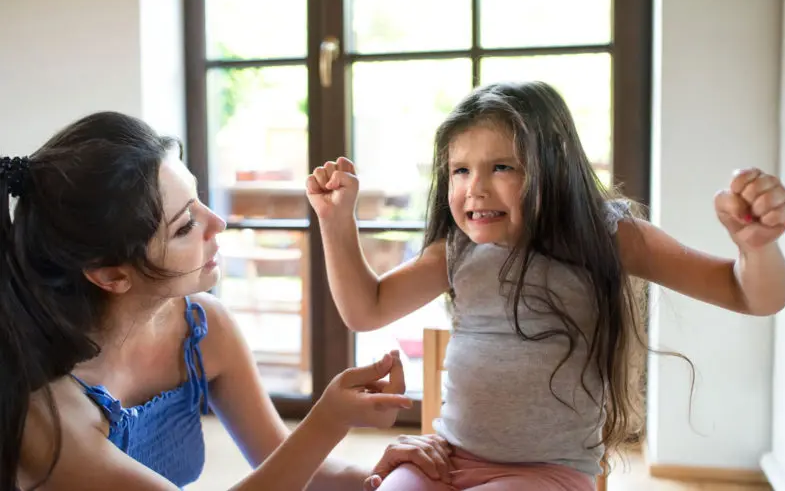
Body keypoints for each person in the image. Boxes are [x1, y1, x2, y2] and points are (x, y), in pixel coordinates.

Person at [306, 81, 785, 490]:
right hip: (445, 457)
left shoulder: (608, 235)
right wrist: (335, 220)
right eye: (460, 170)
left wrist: (756, 247)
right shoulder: (458, 251)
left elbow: (749, 295)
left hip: (546, 473)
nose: (475, 186)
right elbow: (365, 310)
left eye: (502, 166)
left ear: (553, 167)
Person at [0, 111, 451, 491]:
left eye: (198, 200)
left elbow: (291, 467)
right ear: (112, 274)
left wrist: (385, 476)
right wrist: (329, 421)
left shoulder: (201, 327)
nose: (217, 223)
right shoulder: (48, 411)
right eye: (184, 226)